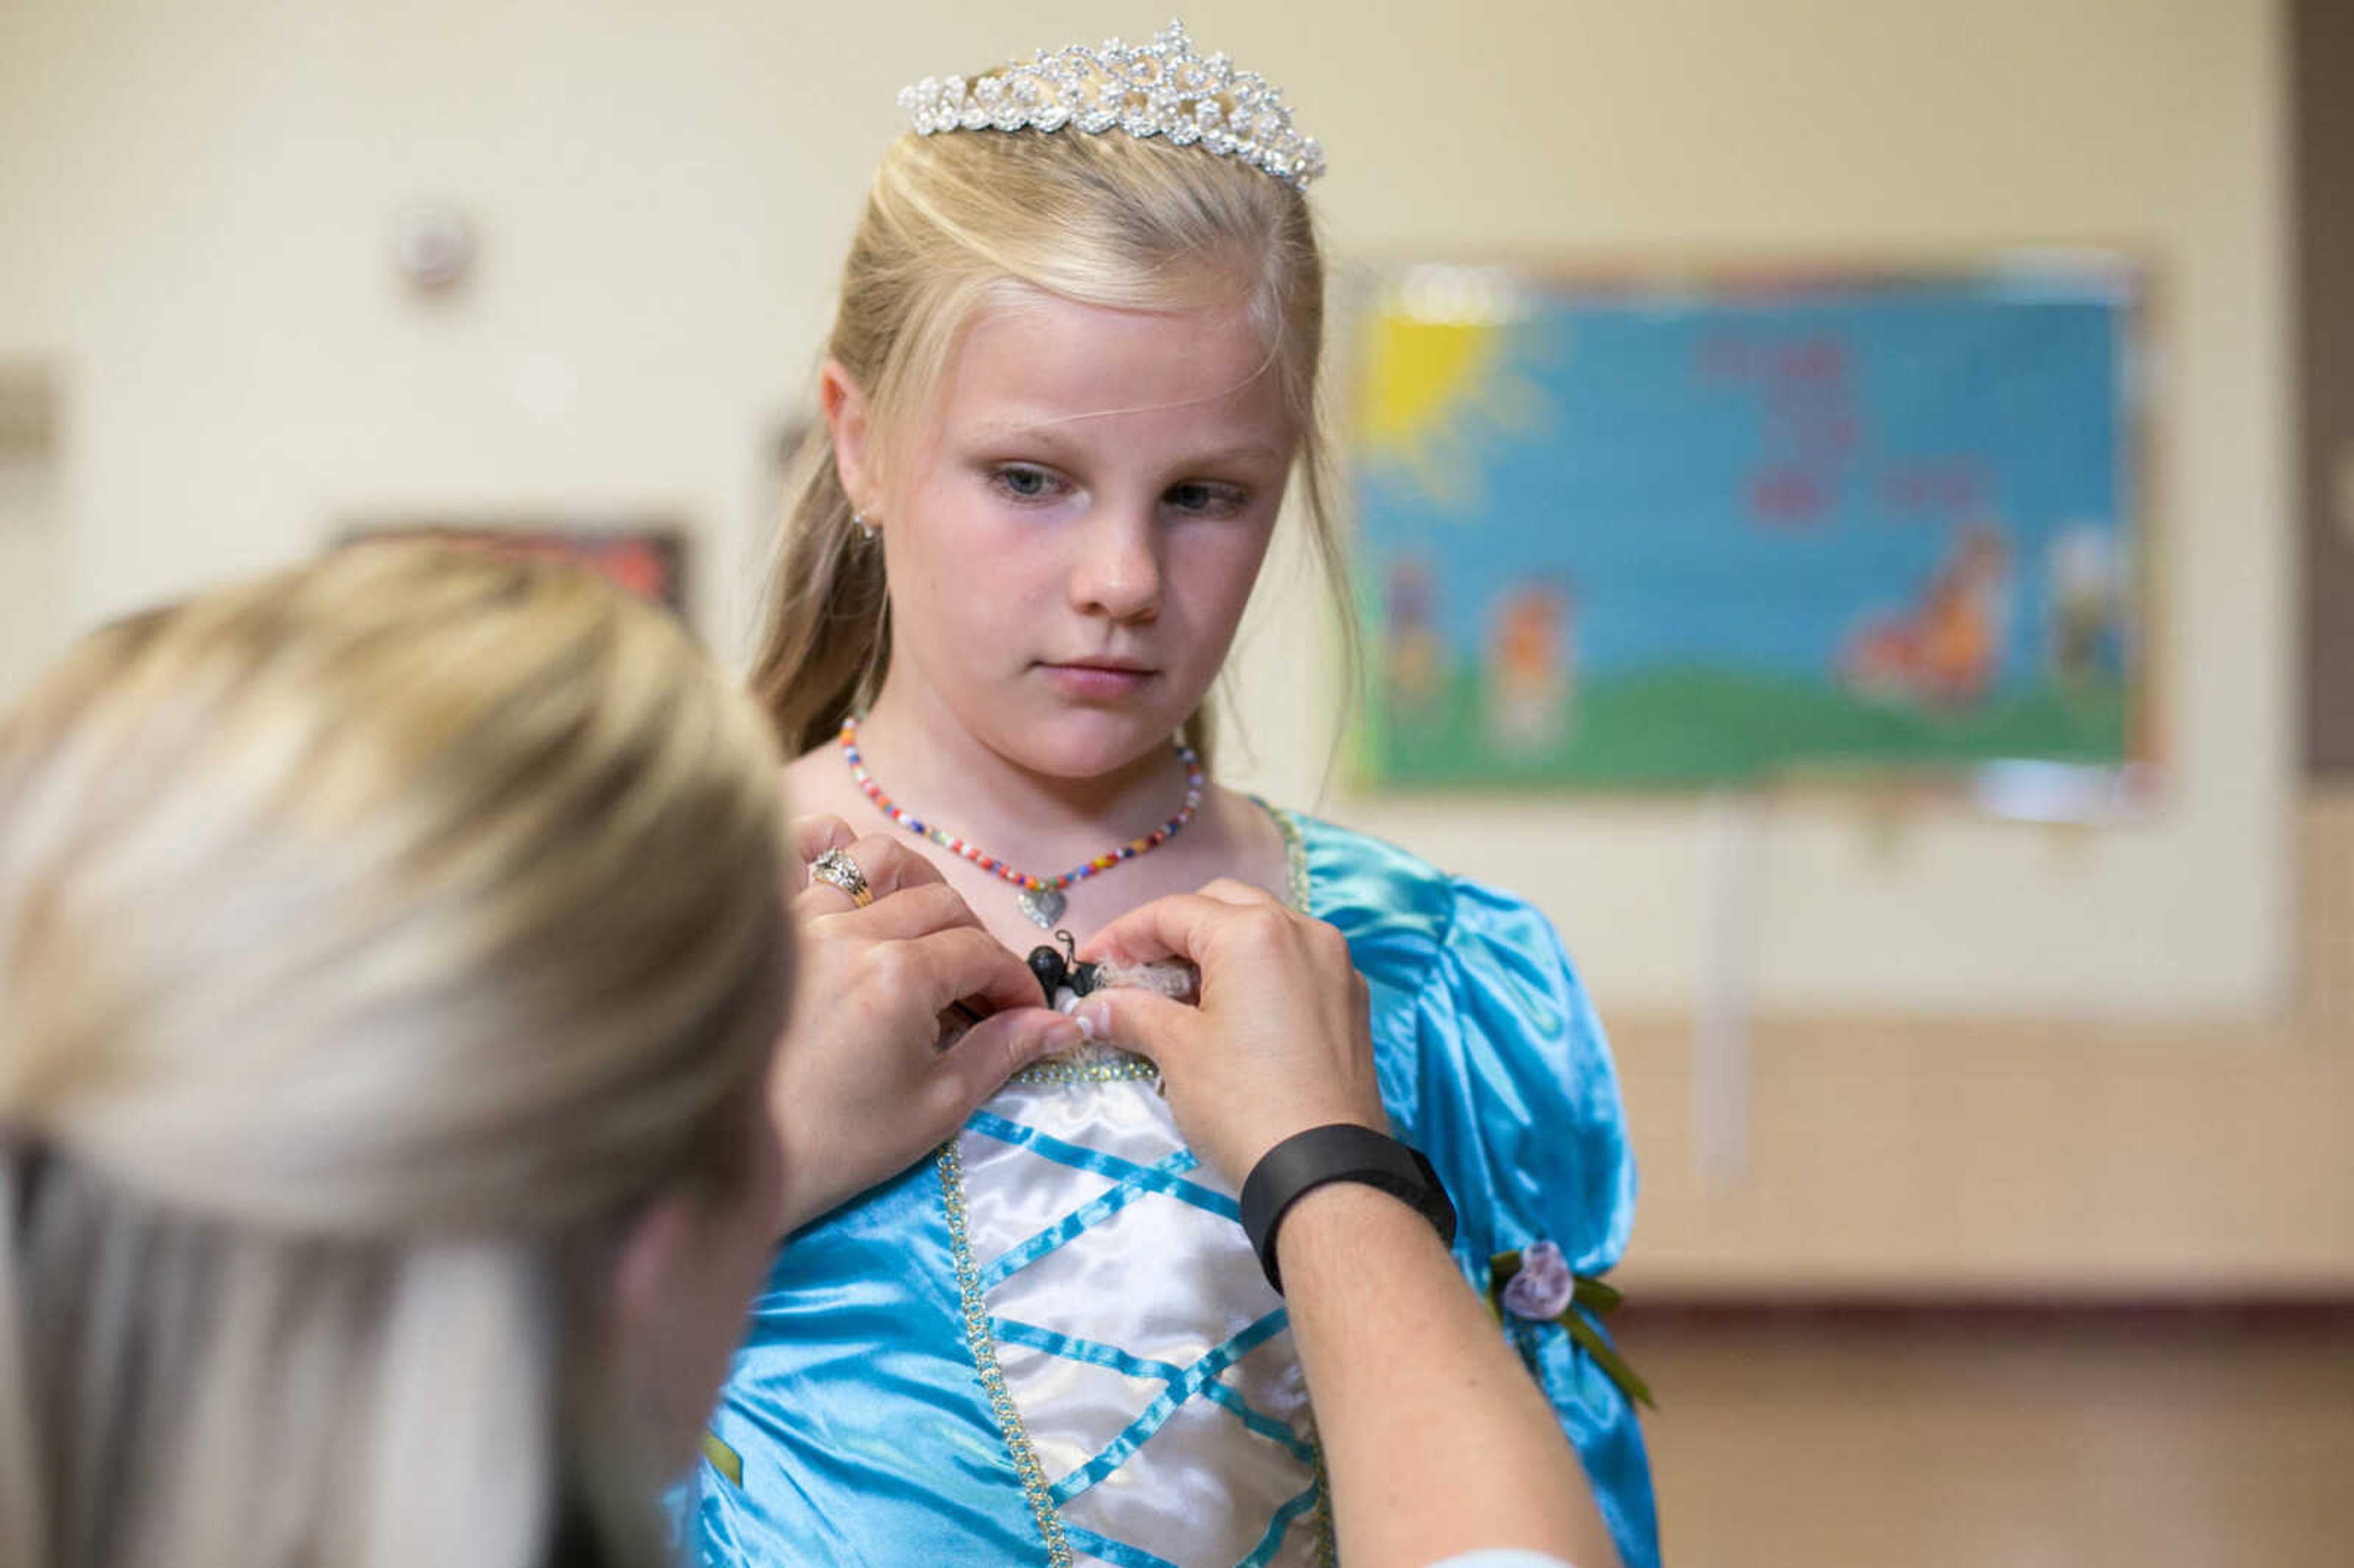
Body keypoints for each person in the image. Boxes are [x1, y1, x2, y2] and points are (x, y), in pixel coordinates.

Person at [701, 21, 1656, 1568]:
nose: (1123, 582)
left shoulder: (1444, 981)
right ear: (860, 442)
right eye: (1029, 479)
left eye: (1206, 496)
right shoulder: (645, 936)